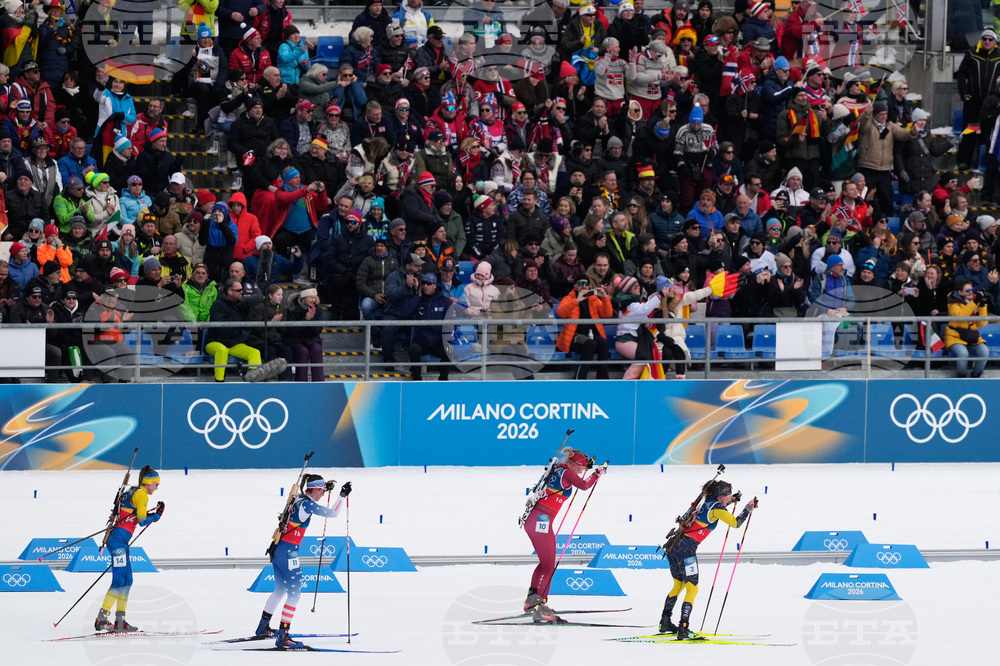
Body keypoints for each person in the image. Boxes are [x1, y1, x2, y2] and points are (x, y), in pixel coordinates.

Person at [256, 476, 352, 648]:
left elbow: (307, 496)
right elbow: (333, 513)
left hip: (278, 550)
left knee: (280, 590)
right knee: (294, 594)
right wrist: (342, 496)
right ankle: (283, 636)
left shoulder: (298, 498)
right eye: (321, 491)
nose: (323, 495)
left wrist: (326, 488)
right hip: (289, 554)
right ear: (314, 490)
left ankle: (263, 626)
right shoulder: (308, 504)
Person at [659, 479, 756, 639]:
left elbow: (717, 508)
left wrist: (732, 500)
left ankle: (665, 621)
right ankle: (684, 628)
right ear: (721, 496)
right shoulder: (717, 508)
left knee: (679, 584)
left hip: (673, 546)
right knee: (692, 588)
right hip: (687, 550)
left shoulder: (705, 501)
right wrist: (748, 509)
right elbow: (735, 523)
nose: (730, 497)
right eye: (728, 495)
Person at [523, 447, 605, 623]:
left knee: (545, 563)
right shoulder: (567, 473)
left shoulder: (559, 468)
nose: (583, 471)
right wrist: (597, 474)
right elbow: (584, 485)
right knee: (549, 566)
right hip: (540, 521)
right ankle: (540, 606)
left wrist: (593, 472)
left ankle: (532, 601)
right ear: (575, 465)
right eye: (582, 468)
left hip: (537, 520)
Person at [94, 465, 164, 633]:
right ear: (149, 483)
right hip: (118, 543)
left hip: (120, 542)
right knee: (119, 581)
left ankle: (120, 620)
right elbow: (141, 520)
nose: (157, 488)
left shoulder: (133, 490)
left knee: (127, 581)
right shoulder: (141, 494)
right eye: (156, 484)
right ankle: (101, 619)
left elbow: (134, 514)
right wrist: (157, 515)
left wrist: (153, 514)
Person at [555, 275, 612, 379]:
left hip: (591, 335)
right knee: (590, 344)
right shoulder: (569, 298)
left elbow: (607, 314)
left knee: (603, 342)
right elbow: (561, 312)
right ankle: (579, 377)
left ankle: (602, 378)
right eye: (581, 283)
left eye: (586, 284)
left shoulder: (593, 299)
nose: (584, 286)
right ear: (575, 285)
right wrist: (577, 300)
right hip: (574, 337)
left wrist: (604, 298)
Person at [945, 279, 990, 378]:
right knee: (963, 353)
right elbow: (961, 316)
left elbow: (982, 323)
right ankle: (962, 376)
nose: (970, 292)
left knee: (984, 351)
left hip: (972, 336)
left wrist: (982, 305)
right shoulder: (953, 301)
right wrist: (975, 301)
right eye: (967, 290)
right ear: (960, 292)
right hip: (955, 336)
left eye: (971, 289)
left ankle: (976, 375)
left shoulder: (974, 300)